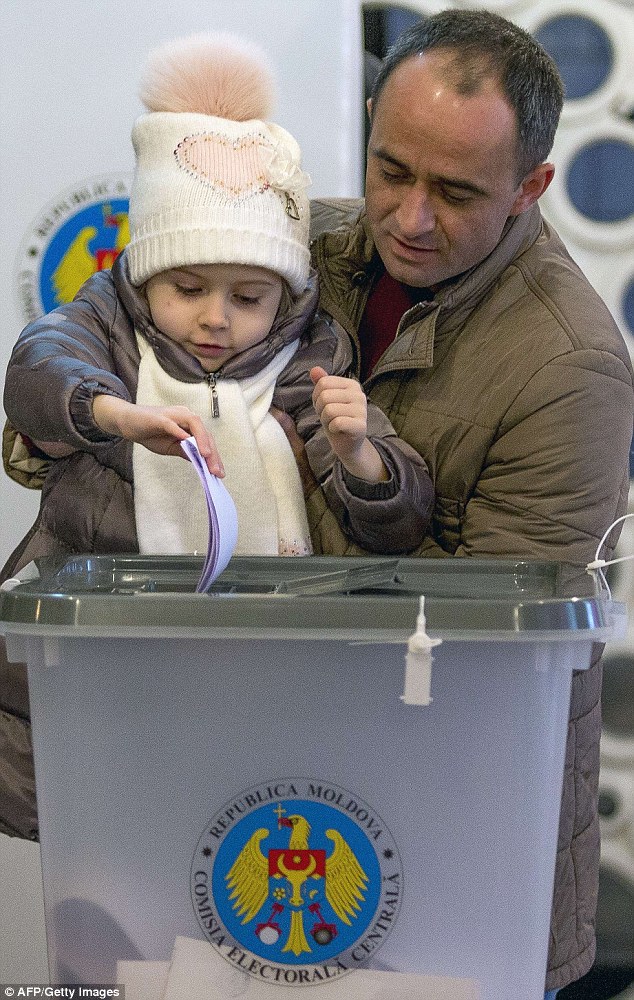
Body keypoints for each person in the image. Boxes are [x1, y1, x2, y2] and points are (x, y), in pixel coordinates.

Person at [0, 34, 433, 838]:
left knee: (219, 835)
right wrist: (113, 417)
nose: (214, 318)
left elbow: (400, 521)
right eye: (188, 288)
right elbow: (35, 369)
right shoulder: (107, 321)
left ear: (287, 296)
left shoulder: (313, 355)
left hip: (251, 667)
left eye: (248, 296)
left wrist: (359, 456)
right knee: (98, 837)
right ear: (145, 276)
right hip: (96, 659)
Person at [305, 9, 634, 998]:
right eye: (390, 168)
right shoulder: (302, 248)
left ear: (531, 186)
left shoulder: (567, 365)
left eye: (453, 193)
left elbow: (483, 662)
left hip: (452, 830)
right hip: (280, 769)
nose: (407, 216)